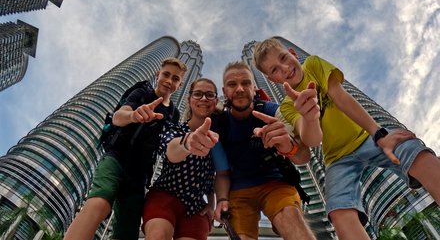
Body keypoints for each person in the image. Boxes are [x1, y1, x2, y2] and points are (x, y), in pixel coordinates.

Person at [253, 37, 440, 240]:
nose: (284, 67)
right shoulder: (288, 107)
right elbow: (313, 140)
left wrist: (378, 133)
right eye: (274, 70)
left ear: (293, 53)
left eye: (284, 58)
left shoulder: (313, 65)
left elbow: (340, 96)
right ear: (272, 80)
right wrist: (310, 117)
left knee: (413, 151)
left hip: (366, 137)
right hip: (337, 159)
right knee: (338, 210)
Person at [64, 57, 187, 240]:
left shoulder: (174, 114)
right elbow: (118, 117)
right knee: (100, 202)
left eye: (175, 79)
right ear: (158, 74)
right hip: (117, 156)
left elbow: (168, 144)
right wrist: (134, 115)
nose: (169, 81)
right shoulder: (142, 93)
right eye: (166, 75)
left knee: (127, 230)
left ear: (180, 84)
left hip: (140, 173)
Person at [206, 61, 317, 240]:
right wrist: (221, 200)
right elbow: (222, 173)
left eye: (246, 83)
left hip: (275, 184)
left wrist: (290, 147)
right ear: (224, 90)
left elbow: (304, 156)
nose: (240, 89)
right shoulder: (219, 123)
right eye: (232, 84)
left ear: (254, 87)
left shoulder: (271, 111)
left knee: (290, 218)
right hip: (237, 191)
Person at [142, 78, 220, 240]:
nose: (204, 98)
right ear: (189, 99)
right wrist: (188, 142)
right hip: (164, 195)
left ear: (216, 101)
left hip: (196, 208)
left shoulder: (219, 137)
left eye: (209, 95)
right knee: (158, 235)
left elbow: (214, 174)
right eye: (197, 94)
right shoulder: (173, 129)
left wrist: (212, 202)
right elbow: (171, 150)